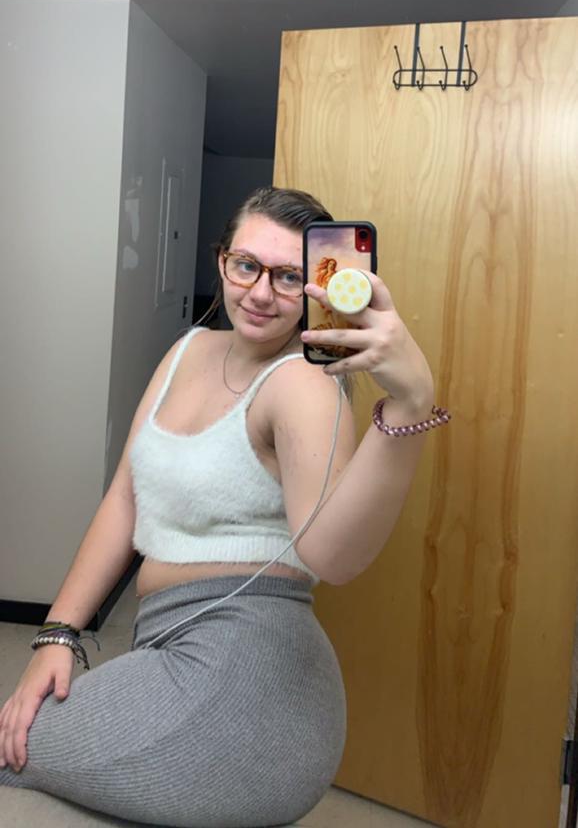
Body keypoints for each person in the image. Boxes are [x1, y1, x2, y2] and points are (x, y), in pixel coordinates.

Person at [0, 185, 444, 828]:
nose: (261, 293)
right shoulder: (187, 351)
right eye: (246, 265)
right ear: (222, 260)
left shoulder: (302, 383)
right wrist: (57, 634)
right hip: (174, 648)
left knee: (12, 749)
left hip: (251, 684)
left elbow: (333, 557)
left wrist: (409, 404)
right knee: (22, 727)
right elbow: (125, 496)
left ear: (316, 288)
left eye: (287, 276)